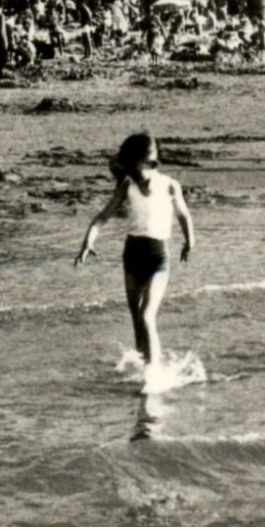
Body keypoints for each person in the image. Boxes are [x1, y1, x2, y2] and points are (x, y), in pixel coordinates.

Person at [74, 133, 195, 371]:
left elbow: (183, 214)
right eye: (132, 171)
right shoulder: (127, 184)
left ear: (151, 164)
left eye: (140, 172)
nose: (137, 178)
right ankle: (144, 368)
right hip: (132, 255)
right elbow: (102, 216)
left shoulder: (170, 185)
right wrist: (87, 242)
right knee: (137, 320)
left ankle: (154, 376)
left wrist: (190, 241)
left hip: (158, 257)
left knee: (147, 316)